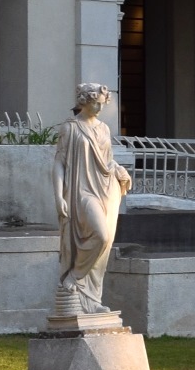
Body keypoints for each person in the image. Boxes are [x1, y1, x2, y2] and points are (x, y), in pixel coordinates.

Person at [52, 82, 134, 318]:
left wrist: (119, 170)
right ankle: (75, 276)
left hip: (106, 187)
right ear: (84, 101)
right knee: (101, 235)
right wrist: (58, 196)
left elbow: (107, 160)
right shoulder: (70, 128)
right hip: (81, 190)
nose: (100, 107)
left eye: (102, 103)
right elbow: (59, 163)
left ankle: (92, 301)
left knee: (105, 245)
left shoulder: (104, 129)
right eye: (96, 103)